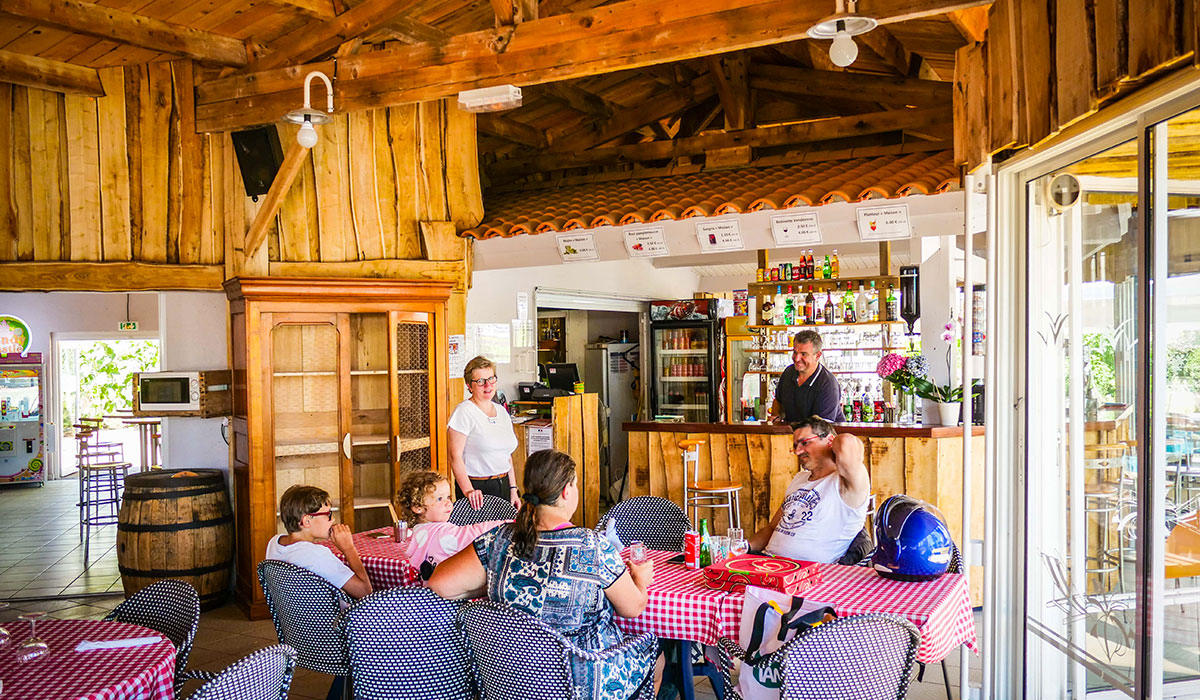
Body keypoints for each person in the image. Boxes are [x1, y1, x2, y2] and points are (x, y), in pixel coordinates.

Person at [429, 449, 656, 700]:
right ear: (567, 491)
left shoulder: (498, 540)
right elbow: (633, 607)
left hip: (510, 680)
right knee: (657, 656)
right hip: (583, 682)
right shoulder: (592, 546)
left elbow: (440, 584)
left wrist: (495, 580)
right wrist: (641, 580)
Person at [748, 416, 869, 563]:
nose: (798, 452)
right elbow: (772, 528)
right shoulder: (800, 478)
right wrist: (742, 549)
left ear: (830, 441)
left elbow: (845, 443)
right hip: (769, 564)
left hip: (808, 573)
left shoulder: (847, 483)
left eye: (805, 443)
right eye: (795, 446)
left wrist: (829, 435)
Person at [395, 468, 510, 580]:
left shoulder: (419, 531)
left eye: (448, 497)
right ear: (418, 507)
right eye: (439, 499)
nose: (448, 503)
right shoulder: (442, 533)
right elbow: (473, 533)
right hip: (450, 590)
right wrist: (506, 523)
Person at [265, 485, 372, 599]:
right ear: (306, 521)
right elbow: (365, 592)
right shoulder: (317, 555)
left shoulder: (274, 542)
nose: (333, 519)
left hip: (293, 615)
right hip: (334, 616)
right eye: (328, 515)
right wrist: (348, 548)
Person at [448, 355, 521, 511]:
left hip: (503, 485)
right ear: (469, 385)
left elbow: (506, 455)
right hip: (477, 490)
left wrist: (513, 489)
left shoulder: (501, 412)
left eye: (491, 378)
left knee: (504, 534)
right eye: (480, 381)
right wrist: (468, 491)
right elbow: (455, 457)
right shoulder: (464, 412)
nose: (487, 385)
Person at [767, 329, 842, 423]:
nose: (797, 358)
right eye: (795, 352)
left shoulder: (828, 384)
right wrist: (777, 416)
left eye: (803, 354)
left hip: (820, 435)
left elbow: (821, 430)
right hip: (794, 434)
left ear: (817, 356)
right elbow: (778, 402)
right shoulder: (788, 372)